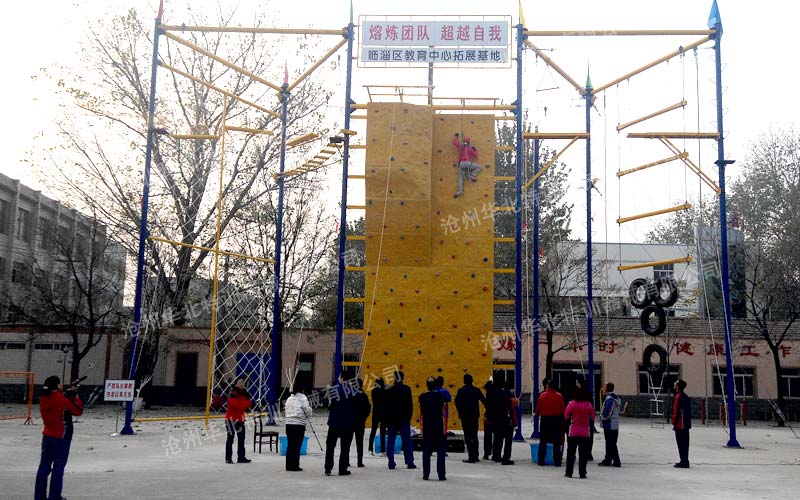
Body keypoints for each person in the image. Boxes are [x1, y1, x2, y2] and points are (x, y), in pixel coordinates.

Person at [35, 375, 83, 500]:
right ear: (57, 385)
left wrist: (65, 393)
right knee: (58, 468)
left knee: (44, 467)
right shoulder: (62, 400)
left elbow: (56, 398)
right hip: (62, 437)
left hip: (47, 435)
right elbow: (78, 411)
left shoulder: (44, 398)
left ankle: (39, 496)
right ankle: (54, 496)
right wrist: (74, 395)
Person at [384, 371, 416, 470]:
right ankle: (409, 462)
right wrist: (408, 417)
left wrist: (387, 419)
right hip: (404, 419)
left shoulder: (389, 390)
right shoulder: (406, 389)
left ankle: (391, 462)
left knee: (391, 441)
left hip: (392, 419)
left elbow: (386, 406)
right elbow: (410, 405)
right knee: (407, 441)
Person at [324, 374, 355, 476]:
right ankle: (342, 469)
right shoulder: (353, 391)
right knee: (345, 448)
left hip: (334, 423)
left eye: (339, 377)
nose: (338, 379)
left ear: (342, 378)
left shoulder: (334, 390)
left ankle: (328, 468)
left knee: (330, 446)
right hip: (347, 424)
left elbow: (330, 404)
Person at [419, 377, 447, 481]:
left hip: (427, 426)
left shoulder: (422, 397)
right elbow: (444, 411)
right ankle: (441, 475)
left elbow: (421, 413)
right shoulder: (441, 397)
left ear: (426, 385)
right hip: (438, 426)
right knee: (440, 452)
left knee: (426, 451)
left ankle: (426, 474)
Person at [455, 373, 486, 463]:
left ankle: (471, 456)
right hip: (474, 416)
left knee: (468, 435)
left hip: (465, 416)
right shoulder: (476, 390)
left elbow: (457, 403)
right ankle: (475, 455)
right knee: (474, 435)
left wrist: (460, 412)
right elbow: (484, 401)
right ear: (472, 381)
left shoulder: (461, 391)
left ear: (464, 381)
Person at [564, 387, 594, 479]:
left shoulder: (571, 404)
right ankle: (582, 473)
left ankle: (569, 472)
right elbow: (592, 417)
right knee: (583, 454)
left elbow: (566, 416)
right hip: (585, 432)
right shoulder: (588, 405)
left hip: (573, 432)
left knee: (571, 453)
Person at [534, 378, 565, 466]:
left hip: (545, 420)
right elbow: (562, 409)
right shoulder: (559, 396)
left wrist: (536, 414)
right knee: (557, 442)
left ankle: (541, 461)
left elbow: (538, 409)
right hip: (556, 420)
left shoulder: (542, 395)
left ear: (548, 386)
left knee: (543, 441)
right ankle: (557, 461)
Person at [284, 387, 312, 472]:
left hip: (289, 424)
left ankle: (288, 465)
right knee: (297, 445)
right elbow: (307, 412)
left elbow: (286, 410)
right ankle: (295, 465)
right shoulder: (303, 398)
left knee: (290, 445)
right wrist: (310, 411)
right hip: (299, 425)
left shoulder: (289, 399)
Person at [224, 379, 252, 464]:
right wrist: (243, 403)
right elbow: (237, 405)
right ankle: (228, 458)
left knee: (241, 439)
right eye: (240, 382)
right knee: (230, 439)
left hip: (240, 419)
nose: (242, 384)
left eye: (243, 382)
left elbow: (248, 404)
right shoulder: (232, 393)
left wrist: (243, 403)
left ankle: (241, 457)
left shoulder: (245, 393)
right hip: (231, 420)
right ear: (236, 384)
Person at [490, 379, 516, 465]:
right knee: (508, 440)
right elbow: (510, 408)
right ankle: (506, 458)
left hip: (496, 419)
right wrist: (513, 421)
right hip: (505, 419)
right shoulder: (506, 394)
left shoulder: (493, 394)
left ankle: (496, 456)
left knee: (497, 439)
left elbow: (489, 406)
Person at [599, 382, 622, 468]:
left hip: (610, 424)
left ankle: (614, 461)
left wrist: (603, 417)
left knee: (610, 444)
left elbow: (608, 411)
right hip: (614, 424)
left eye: (604, 387)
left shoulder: (609, 399)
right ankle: (610, 460)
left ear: (607, 389)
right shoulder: (615, 398)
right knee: (611, 444)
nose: (603, 388)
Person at [451, 132, 481, 198]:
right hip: (468, 164)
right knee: (479, 167)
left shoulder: (461, 147)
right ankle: (472, 175)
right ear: (469, 142)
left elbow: (454, 142)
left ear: (463, 141)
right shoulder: (470, 148)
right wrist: (475, 150)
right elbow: (475, 155)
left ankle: (460, 190)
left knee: (460, 177)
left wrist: (456, 136)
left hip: (461, 164)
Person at [672, 379, 692, 469]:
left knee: (682, 443)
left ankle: (684, 461)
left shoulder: (681, 397)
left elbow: (678, 411)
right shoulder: (680, 396)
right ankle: (683, 460)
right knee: (682, 443)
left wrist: (675, 421)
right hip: (681, 423)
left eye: (675, 384)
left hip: (681, 424)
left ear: (678, 386)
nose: (674, 385)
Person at [352, 378, 372, 467]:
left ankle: (346, 460)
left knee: (347, 442)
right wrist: (364, 418)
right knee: (360, 442)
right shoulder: (364, 396)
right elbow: (368, 408)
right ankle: (359, 461)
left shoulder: (351, 395)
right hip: (360, 422)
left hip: (351, 422)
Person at [368, 377, 387, 455]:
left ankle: (370, 449)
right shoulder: (385, 391)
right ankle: (383, 450)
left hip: (376, 413)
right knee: (382, 432)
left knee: (373, 431)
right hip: (383, 413)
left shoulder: (373, 391)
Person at [482, 378, 494, 460]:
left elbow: (486, 405)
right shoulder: (497, 394)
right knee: (497, 437)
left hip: (488, 417)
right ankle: (495, 454)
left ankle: (487, 453)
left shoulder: (488, 397)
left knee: (487, 436)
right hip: (496, 417)